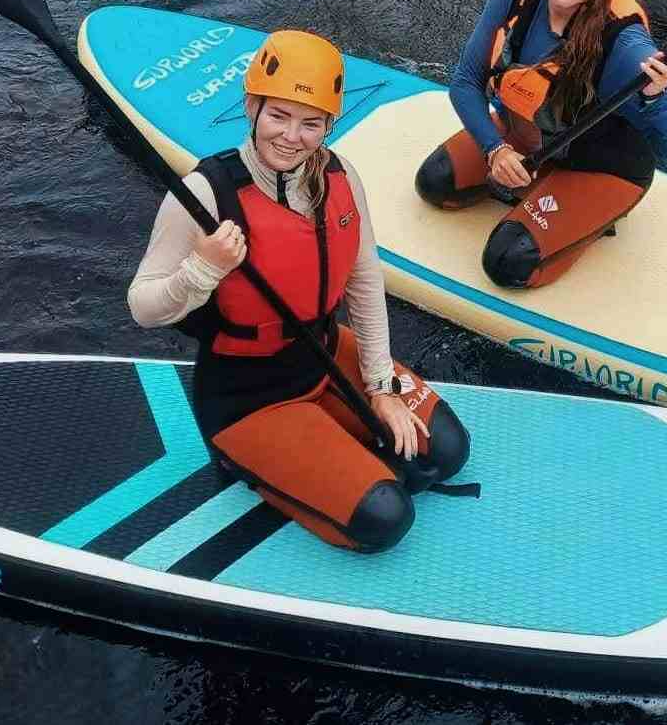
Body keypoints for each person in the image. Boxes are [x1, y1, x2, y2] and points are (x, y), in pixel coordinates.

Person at [129, 30, 469, 553]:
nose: (292, 137)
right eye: (278, 116)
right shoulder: (205, 193)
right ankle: (250, 458)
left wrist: (380, 388)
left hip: (326, 354)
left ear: (330, 125)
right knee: (386, 515)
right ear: (252, 107)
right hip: (251, 397)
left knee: (445, 450)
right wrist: (203, 267)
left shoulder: (341, 175)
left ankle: (341, 430)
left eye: (311, 123)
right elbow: (143, 306)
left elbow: (363, 279)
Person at [415, 0, 667, 288]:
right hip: (527, 142)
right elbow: (465, 82)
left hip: (599, 166)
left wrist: (656, 98)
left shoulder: (625, 45)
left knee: (507, 261)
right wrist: (495, 150)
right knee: (436, 181)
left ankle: (590, 209)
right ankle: (539, 182)